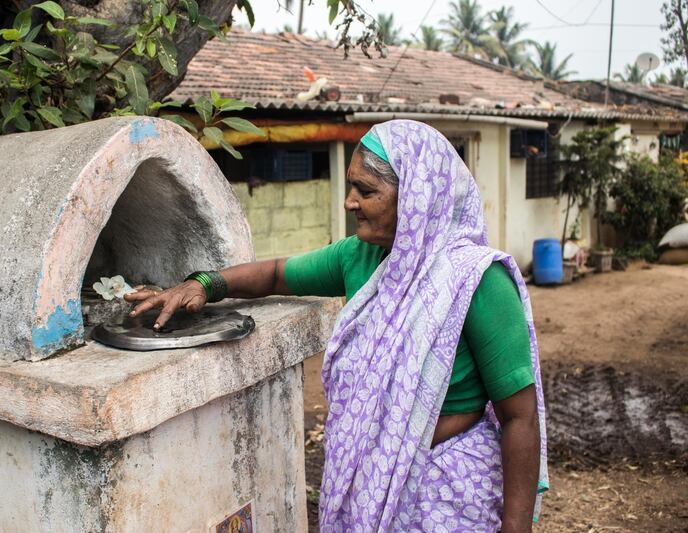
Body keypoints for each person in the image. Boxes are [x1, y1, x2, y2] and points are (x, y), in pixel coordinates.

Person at [125, 120, 548, 532]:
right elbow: (276, 274)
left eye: (366, 191)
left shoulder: (475, 280)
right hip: (363, 479)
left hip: (444, 487)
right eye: (351, 187)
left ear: (416, 198)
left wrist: (515, 527)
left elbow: (520, 417)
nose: (350, 201)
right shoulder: (358, 257)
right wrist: (204, 283)